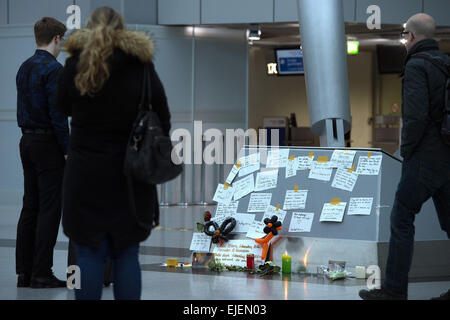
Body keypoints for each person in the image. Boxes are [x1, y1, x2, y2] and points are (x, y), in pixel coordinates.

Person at [55, 7, 171, 300]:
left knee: (89, 254)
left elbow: (60, 107)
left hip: (85, 174)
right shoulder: (140, 65)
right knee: (126, 253)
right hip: (130, 174)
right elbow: (162, 115)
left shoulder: (74, 65)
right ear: (122, 29)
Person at [359, 13, 450, 300]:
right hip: (448, 156)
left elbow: (415, 117)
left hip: (424, 157)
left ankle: (394, 290)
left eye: (404, 36)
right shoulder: (446, 63)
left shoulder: (416, 65)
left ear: (410, 36)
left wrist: (406, 151)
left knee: (401, 218)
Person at [16, 17, 69, 289]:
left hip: (26, 141)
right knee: (50, 209)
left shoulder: (24, 67)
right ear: (57, 38)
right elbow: (57, 115)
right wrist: (67, 149)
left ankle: (23, 272)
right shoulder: (54, 70)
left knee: (30, 206)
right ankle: (42, 272)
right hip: (48, 145)